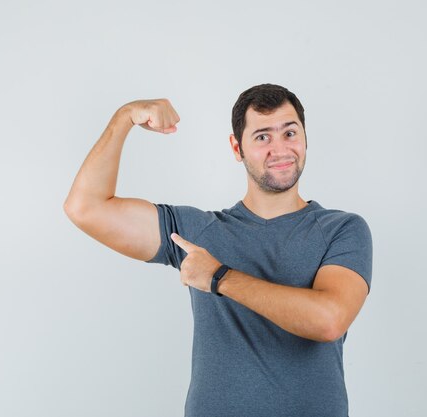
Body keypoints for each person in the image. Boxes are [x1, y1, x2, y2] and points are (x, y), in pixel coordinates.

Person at [63, 83, 373, 417]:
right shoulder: (199, 232)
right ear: (236, 148)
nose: (280, 149)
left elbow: (329, 320)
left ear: (305, 139)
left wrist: (219, 277)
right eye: (262, 137)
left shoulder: (342, 229)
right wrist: (124, 117)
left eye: (290, 133)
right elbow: (85, 207)